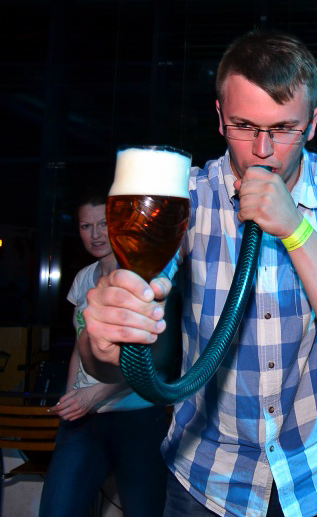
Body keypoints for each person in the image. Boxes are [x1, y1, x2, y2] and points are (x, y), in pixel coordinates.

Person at [79, 31, 317, 517]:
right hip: (209, 477)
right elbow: (111, 349)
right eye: (244, 126)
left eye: (283, 128)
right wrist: (103, 341)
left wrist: (295, 228)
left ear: (312, 124)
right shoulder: (186, 196)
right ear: (221, 117)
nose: (263, 150)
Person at [39, 187, 169, 516]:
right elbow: (78, 345)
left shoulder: (144, 276)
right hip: (84, 418)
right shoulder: (84, 279)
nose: (95, 234)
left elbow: (155, 359)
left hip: (136, 417)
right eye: (86, 226)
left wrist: (94, 394)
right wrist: (71, 396)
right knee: (57, 509)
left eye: (103, 224)